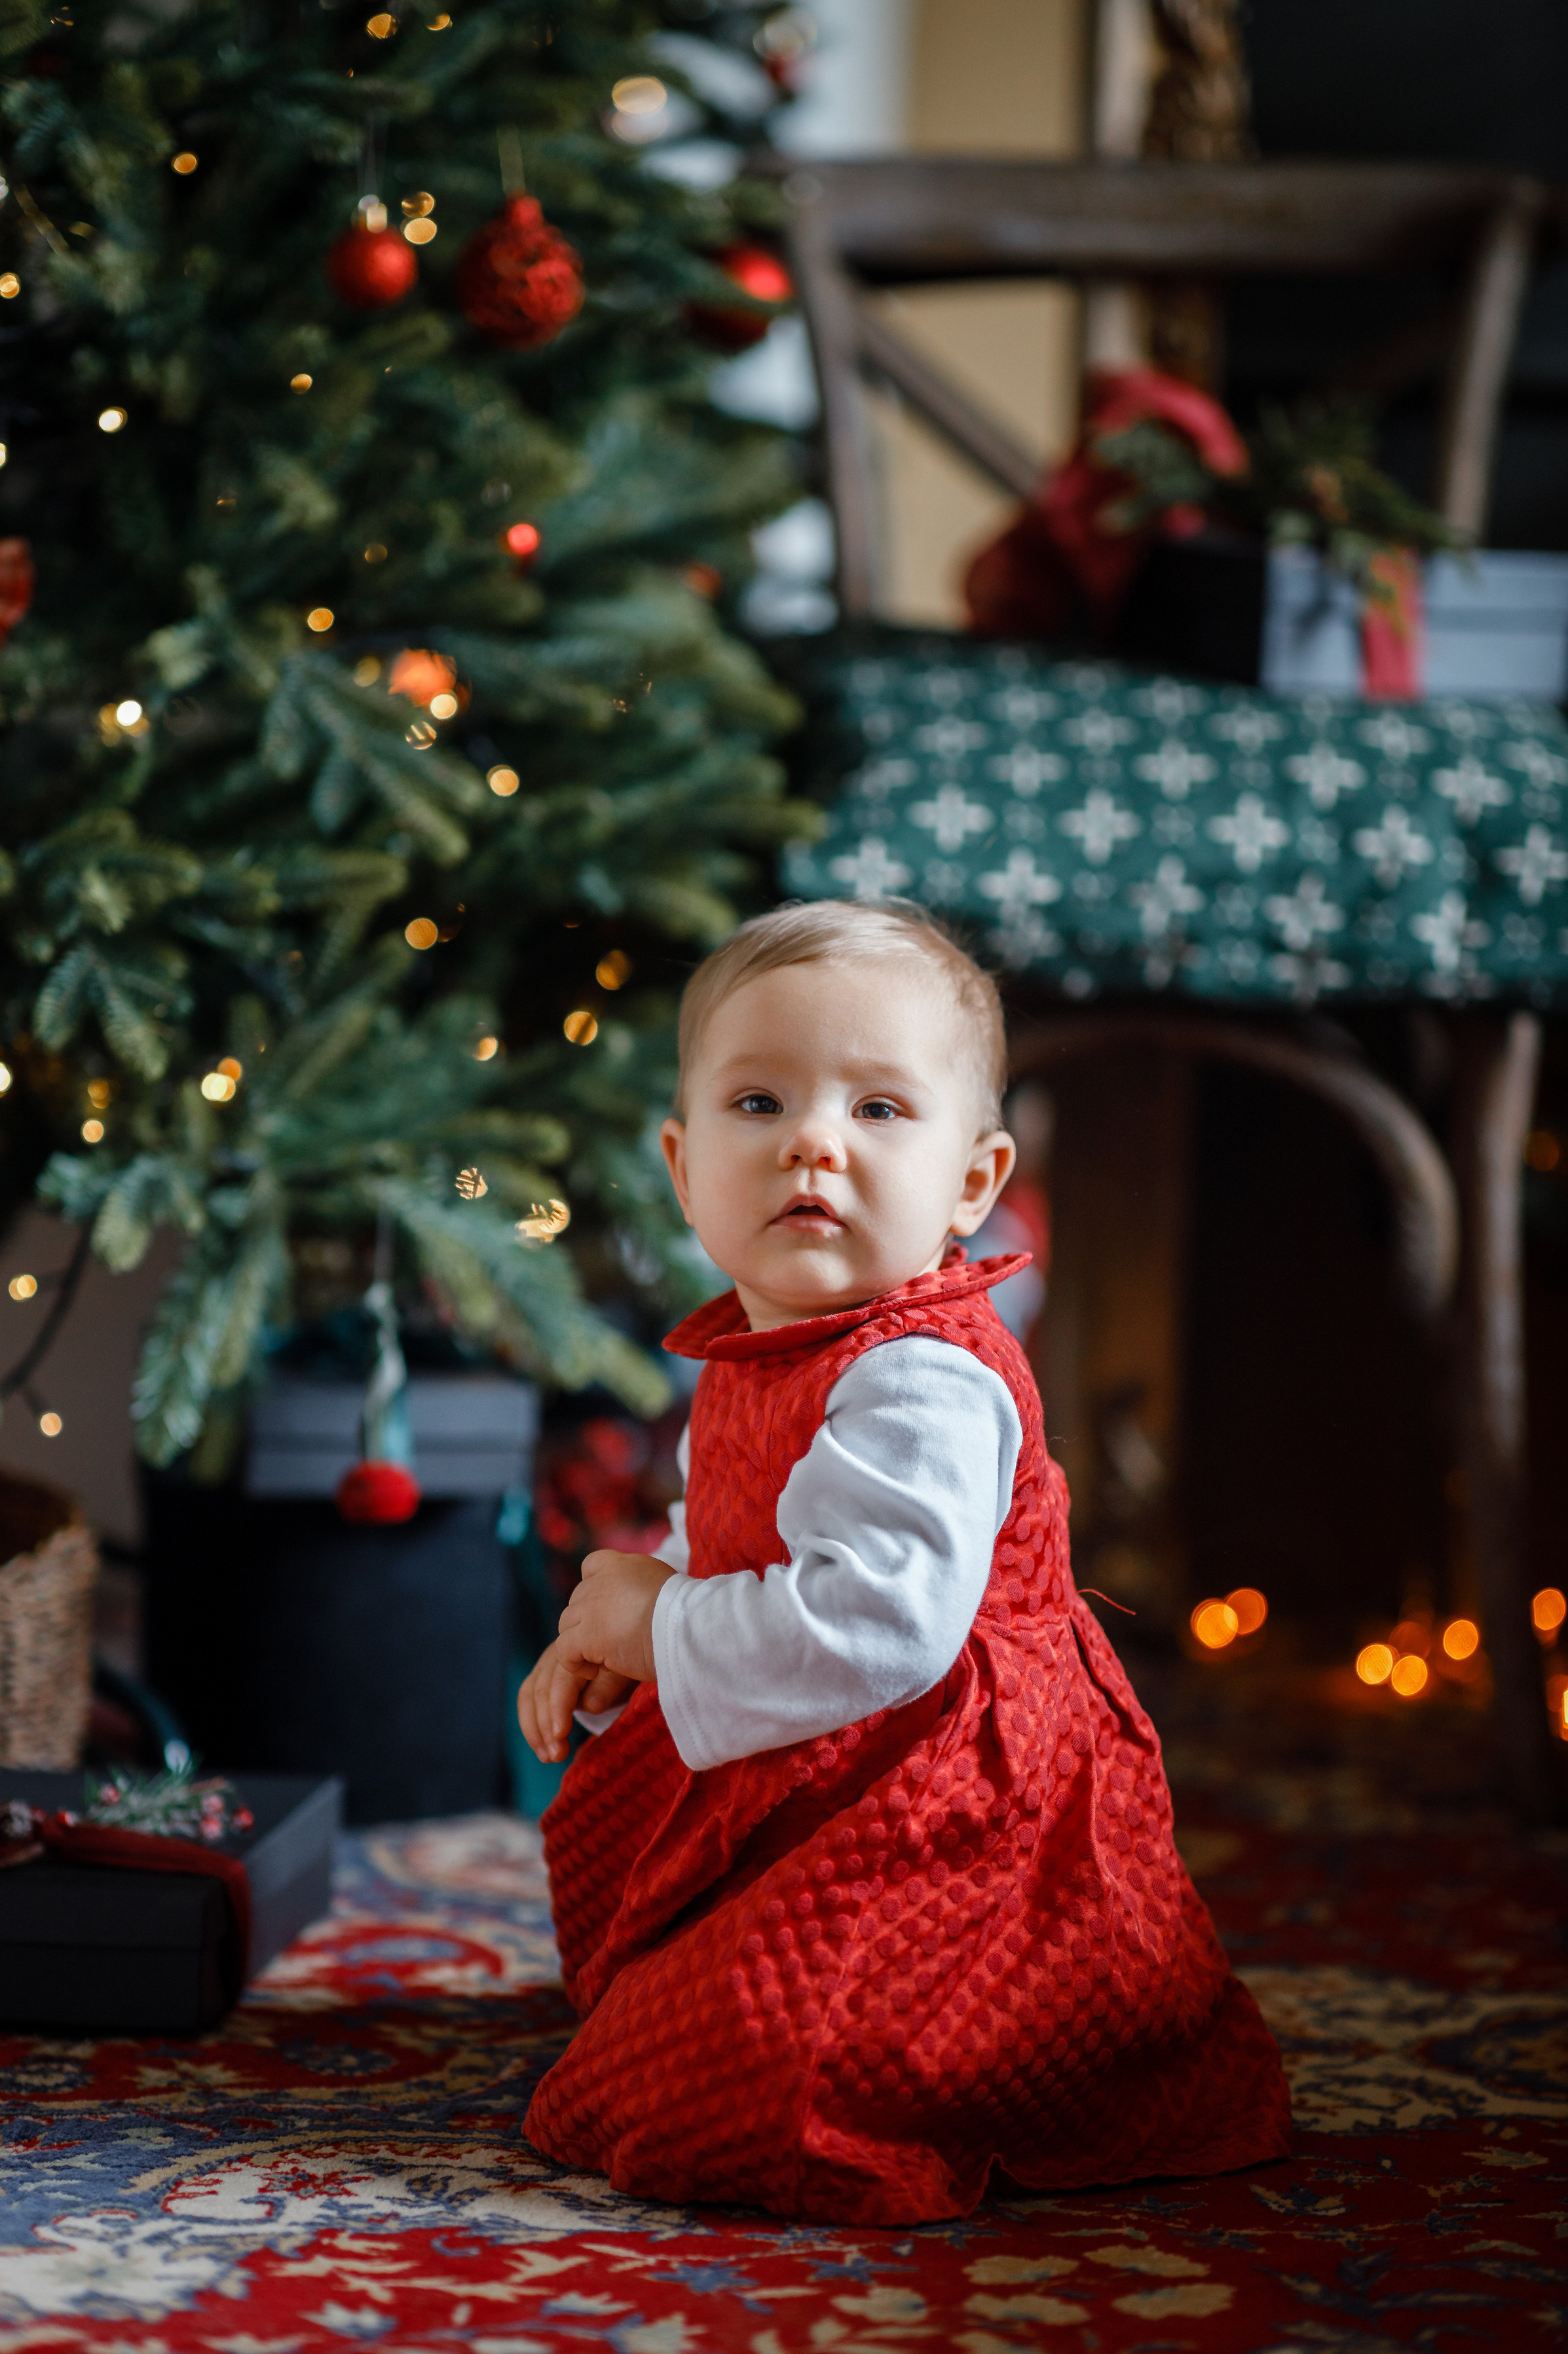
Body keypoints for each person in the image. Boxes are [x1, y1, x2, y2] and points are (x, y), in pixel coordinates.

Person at [518, 900, 1290, 2225]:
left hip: (952, 1797)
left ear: (971, 1186)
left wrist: (662, 1627)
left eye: (878, 1111)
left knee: (733, 2092)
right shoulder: (754, 1345)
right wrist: (615, 1634)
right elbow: (731, 1529)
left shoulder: (920, 1379)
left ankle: (988, 2049)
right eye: (757, 1103)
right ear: (683, 1164)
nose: (813, 1140)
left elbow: (879, 1627)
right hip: (823, 1746)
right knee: (619, 1928)